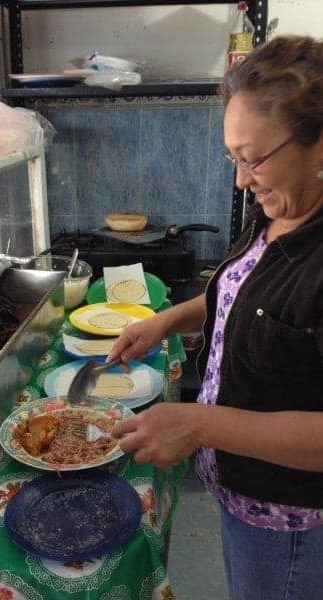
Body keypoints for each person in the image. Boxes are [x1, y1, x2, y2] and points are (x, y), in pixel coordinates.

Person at [109, 35, 323, 600]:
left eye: (253, 160)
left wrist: (202, 425)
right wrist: (167, 320)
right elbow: (245, 295)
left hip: (294, 522)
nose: (241, 181)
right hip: (241, 489)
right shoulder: (277, 211)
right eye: (234, 159)